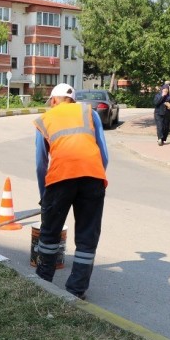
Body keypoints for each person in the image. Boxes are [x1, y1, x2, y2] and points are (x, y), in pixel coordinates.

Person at [33, 83, 109, 299]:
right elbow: (103, 154)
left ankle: (43, 283)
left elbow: (40, 163)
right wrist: (97, 180)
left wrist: (44, 196)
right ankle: (76, 290)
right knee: (87, 237)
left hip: (60, 179)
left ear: (54, 100)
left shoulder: (45, 119)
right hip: (93, 178)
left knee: (50, 233)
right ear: (73, 100)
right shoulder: (89, 113)